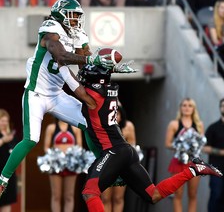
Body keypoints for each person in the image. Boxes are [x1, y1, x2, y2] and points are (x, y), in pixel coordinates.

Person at [0, 0, 116, 206]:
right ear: (61, 15)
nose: (76, 21)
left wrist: (106, 68)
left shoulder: (78, 35)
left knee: (89, 123)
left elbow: (86, 67)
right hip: (36, 93)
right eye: (73, 16)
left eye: (78, 17)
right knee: (31, 139)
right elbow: (61, 55)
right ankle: (2, 182)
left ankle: (106, 168)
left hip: (56, 93)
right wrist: (91, 60)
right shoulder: (50, 28)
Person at [76, 64, 222, 212]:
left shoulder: (93, 95)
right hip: (127, 152)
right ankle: (194, 169)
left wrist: (59, 63)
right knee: (153, 195)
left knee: (90, 192)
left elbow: (74, 84)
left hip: (113, 151)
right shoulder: (108, 91)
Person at [165, 98, 205, 212]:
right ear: (180, 108)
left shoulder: (199, 124)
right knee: (177, 194)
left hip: (194, 163)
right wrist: (182, 145)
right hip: (178, 162)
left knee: (192, 194)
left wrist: (193, 145)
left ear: (194, 109)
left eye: (190, 105)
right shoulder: (174, 124)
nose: (187, 108)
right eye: (184, 105)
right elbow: (167, 144)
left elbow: (201, 143)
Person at [101, 105, 136, 212]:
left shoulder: (128, 127)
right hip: (105, 166)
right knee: (105, 198)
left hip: (122, 168)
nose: (114, 116)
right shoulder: (102, 126)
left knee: (118, 198)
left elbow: (132, 148)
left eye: (117, 113)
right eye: (112, 113)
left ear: (121, 115)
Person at [44, 119, 82, 212]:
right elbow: (46, 147)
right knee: (56, 195)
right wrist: (56, 156)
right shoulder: (51, 128)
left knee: (69, 195)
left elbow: (79, 147)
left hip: (70, 164)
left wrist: (71, 155)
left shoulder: (75, 128)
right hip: (56, 164)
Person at [202, 98, 224, 212]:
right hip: (216, 168)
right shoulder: (213, 128)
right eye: (223, 106)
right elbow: (204, 148)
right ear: (220, 108)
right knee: (216, 195)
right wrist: (221, 152)